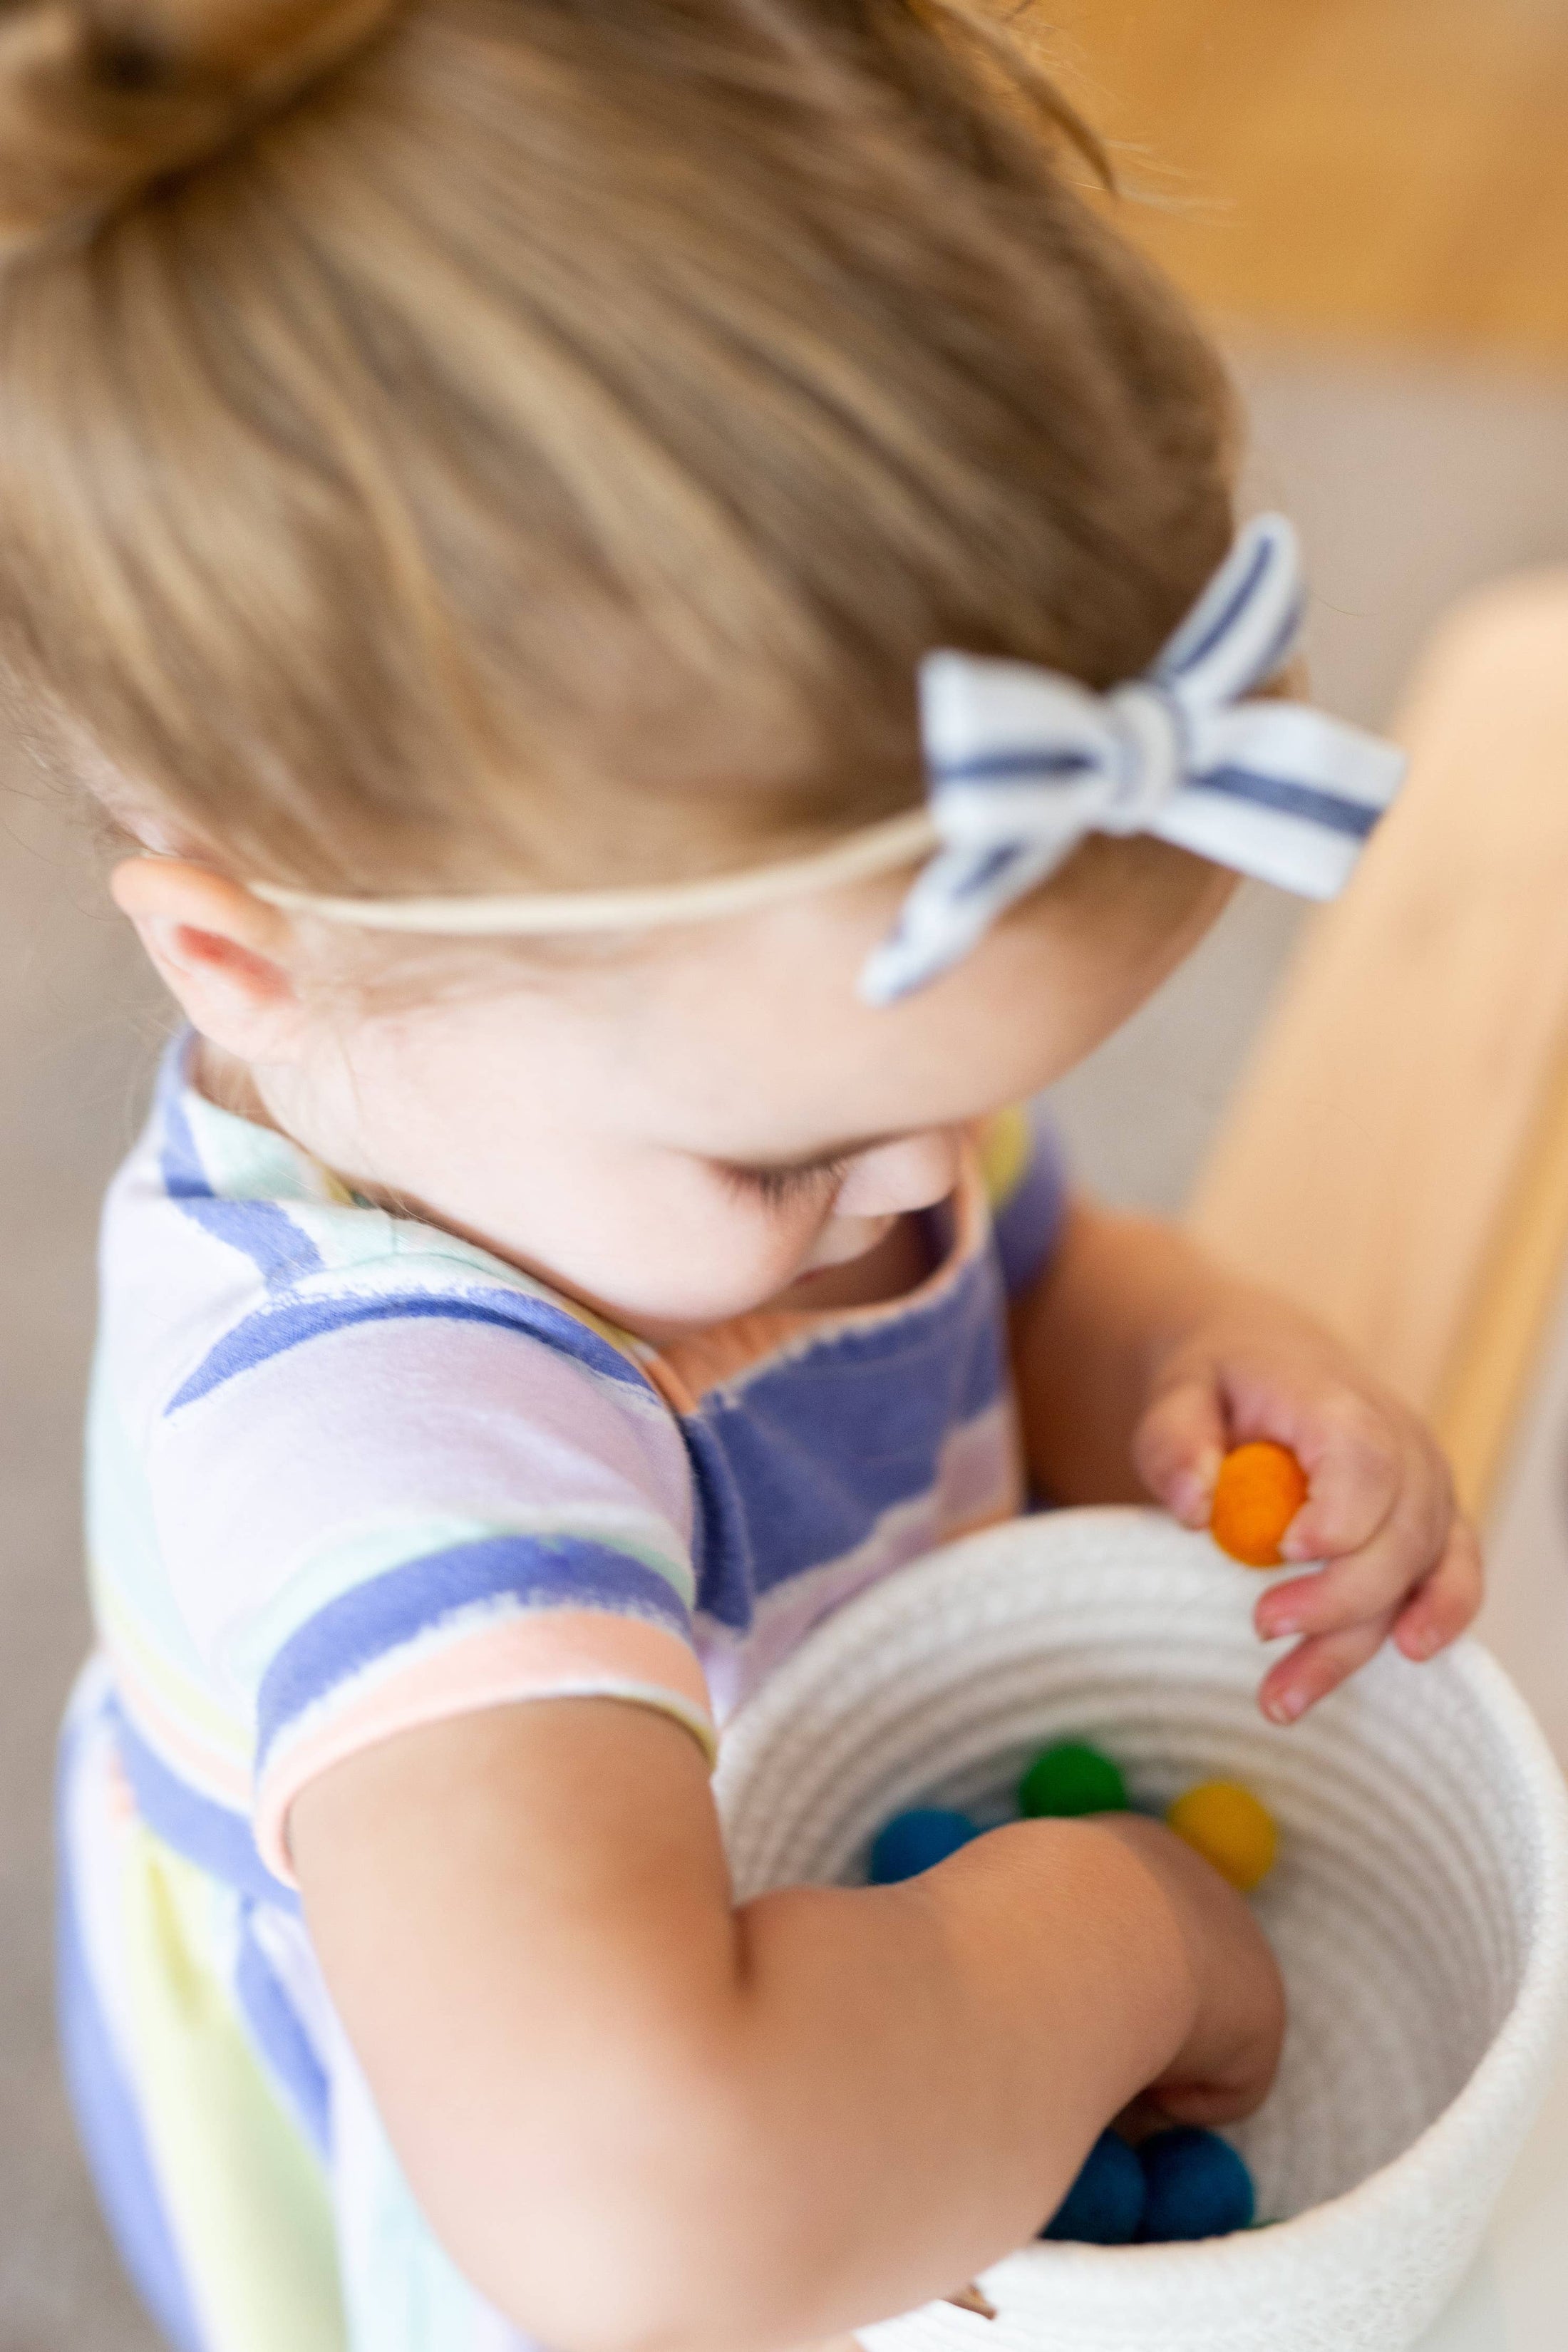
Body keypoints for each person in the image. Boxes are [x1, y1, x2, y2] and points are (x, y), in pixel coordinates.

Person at [0, 0, 1479, 2344]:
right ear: (239, 957)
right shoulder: (377, 1440)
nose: (921, 1194)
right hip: (524, 2087)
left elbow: (1014, 1272)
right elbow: (648, 2220)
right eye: (797, 1151)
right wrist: (1119, 1927)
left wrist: (1204, 1362)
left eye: (964, 1096)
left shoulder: (728, 1089)